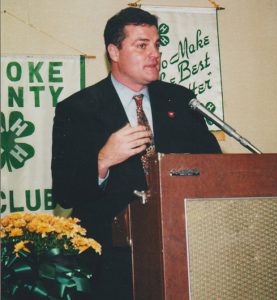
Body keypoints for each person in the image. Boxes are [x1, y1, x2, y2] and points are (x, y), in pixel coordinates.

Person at [51, 7, 221, 300]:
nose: (154, 54)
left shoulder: (179, 100)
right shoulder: (77, 110)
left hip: (184, 251)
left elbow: (213, 167)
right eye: (142, 45)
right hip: (112, 264)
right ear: (114, 52)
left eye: (157, 45)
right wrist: (103, 160)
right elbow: (66, 192)